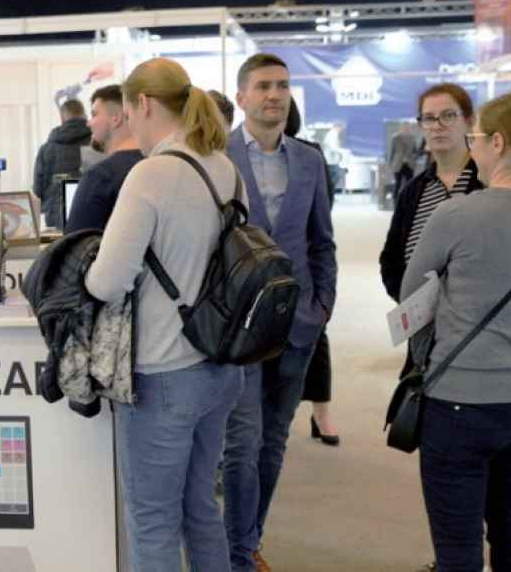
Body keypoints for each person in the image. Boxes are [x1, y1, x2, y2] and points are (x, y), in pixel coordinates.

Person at [402, 92, 511, 572]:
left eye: (475, 138)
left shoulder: (456, 215)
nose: (472, 147)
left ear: (498, 143)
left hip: (460, 404)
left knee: (457, 554)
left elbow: (410, 301)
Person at [84, 57, 243, 572]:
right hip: (220, 365)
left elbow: (107, 281)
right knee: (201, 509)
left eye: (129, 112)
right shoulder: (222, 167)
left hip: (163, 372)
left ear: (144, 104)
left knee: (152, 522)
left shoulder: (149, 174)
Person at [222, 53, 338, 572]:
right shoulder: (218, 157)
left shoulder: (309, 160)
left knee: (273, 441)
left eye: (283, 86)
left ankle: (251, 540)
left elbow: (322, 241)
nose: (275, 95)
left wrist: (322, 307)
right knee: (241, 443)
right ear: (242, 96)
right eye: (264, 85)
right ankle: (238, 554)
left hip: (298, 324)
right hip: (240, 329)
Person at [381, 83, 485, 304]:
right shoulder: (413, 192)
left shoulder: (488, 182)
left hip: (479, 318)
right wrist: (409, 301)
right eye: (429, 118)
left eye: (448, 116)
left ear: (469, 121)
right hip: (425, 321)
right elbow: (391, 260)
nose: (437, 126)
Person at [283, 95, 340, 446]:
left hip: (303, 270)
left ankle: (322, 413)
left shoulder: (309, 155)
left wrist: (324, 299)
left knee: (315, 339)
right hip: (257, 273)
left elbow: (323, 215)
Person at [65, 85, 144, 233]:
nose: (88, 123)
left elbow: (75, 242)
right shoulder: (158, 167)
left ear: (116, 118)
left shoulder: (100, 177)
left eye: (94, 114)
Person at [34, 98, 98, 229]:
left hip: (54, 219)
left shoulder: (46, 149)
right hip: (89, 215)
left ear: (62, 118)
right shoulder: (97, 144)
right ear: (84, 115)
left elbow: (38, 191)